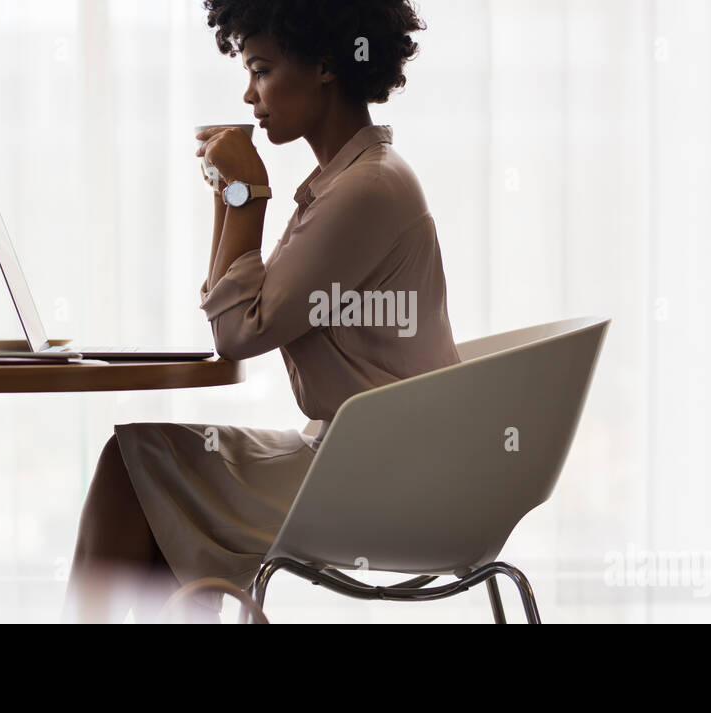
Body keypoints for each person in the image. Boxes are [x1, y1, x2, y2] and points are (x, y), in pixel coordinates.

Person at [63, 0, 459, 623]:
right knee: (150, 475)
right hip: (367, 456)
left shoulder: (365, 190)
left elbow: (238, 332)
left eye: (261, 69)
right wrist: (234, 192)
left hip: (383, 476)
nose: (250, 95)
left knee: (135, 468)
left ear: (326, 64)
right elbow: (238, 313)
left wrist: (246, 195)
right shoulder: (345, 180)